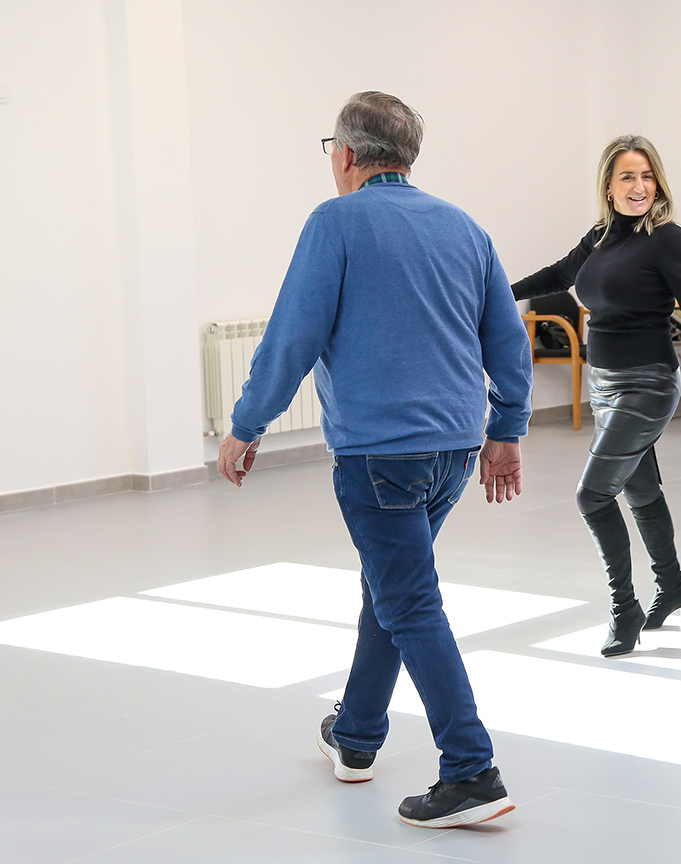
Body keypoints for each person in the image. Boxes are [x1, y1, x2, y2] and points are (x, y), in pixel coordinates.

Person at [216, 92, 531, 828]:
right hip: (454, 449)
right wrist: (507, 429)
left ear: (347, 154)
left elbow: (292, 335)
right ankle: (355, 737)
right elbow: (506, 339)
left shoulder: (335, 222)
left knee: (408, 600)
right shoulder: (463, 226)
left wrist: (244, 426)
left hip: (379, 454)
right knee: (392, 589)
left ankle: (471, 771)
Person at [512, 135, 681, 657]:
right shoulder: (600, 236)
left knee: (592, 493)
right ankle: (672, 586)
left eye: (647, 176)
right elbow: (561, 273)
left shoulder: (667, 237)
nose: (639, 186)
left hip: (647, 383)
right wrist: (497, 290)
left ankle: (624, 609)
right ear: (608, 184)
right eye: (628, 176)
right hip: (603, 382)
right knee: (639, 490)